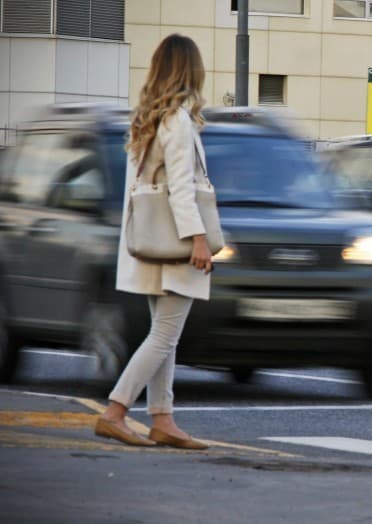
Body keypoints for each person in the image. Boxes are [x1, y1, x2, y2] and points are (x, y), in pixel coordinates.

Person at [94, 34, 213, 449]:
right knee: (165, 333)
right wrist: (199, 238)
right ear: (189, 70)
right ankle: (116, 411)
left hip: (152, 241)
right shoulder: (177, 120)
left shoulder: (148, 116)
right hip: (176, 242)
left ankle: (162, 417)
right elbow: (181, 188)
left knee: (163, 332)